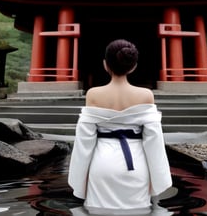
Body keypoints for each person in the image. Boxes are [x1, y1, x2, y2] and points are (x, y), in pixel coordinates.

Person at [68, 39, 173, 215]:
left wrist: (79, 180)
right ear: (133, 66)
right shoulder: (146, 95)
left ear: (105, 64)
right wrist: (157, 178)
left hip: (102, 164)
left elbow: (84, 142)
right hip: (136, 165)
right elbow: (154, 141)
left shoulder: (93, 94)